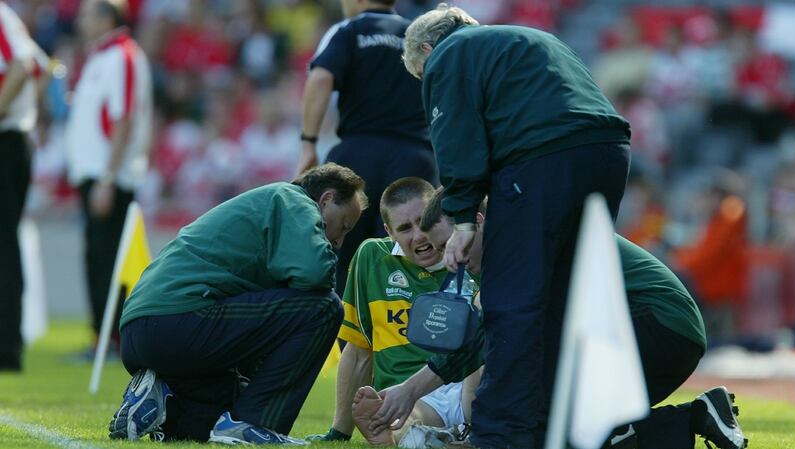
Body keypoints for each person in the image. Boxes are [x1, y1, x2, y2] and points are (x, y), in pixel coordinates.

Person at [403, 5, 632, 447]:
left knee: (514, 301)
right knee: (563, 301)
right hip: (608, 153)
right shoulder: (528, 39)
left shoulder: (449, 55)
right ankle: (557, 429)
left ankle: (502, 434)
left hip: (542, 159)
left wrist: (464, 219)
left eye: (421, 74)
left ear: (428, 49)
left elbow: (458, 141)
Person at [365, 187, 747, 449]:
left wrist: (410, 390)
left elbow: (485, 339)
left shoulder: (516, 248)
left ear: (477, 222)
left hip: (656, 324)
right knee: (561, 427)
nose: (453, 257)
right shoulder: (517, 238)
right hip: (664, 328)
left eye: (454, 244)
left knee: (534, 414)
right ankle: (697, 418)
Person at [107, 163, 367, 444]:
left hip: (140, 334)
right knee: (325, 308)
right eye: (342, 226)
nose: (339, 242)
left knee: (214, 417)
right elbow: (315, 272)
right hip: (180, 318)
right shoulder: (293, 199)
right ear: (325, 200)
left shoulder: (266, 209)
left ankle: (163, 400)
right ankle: (253, 424)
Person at [308, 178, 479, 447]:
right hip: (412, 396)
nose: (419, 236)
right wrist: (339, 432)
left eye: (423, 221)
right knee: (407, 422)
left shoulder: (470, 253)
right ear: (389, 232)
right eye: (404, 228)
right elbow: (358, 350)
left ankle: (462, 434)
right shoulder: (372, 258)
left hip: (473, 383)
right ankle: (415, 437)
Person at [298, 0, 438, 295]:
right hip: (415, 158)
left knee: (337, 252)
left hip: (356, 156)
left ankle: (339, 334)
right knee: (406, 259)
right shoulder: (418, 34)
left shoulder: (349, 30)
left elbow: (321, 77)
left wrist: (308, 143)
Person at [65, 0, 153, 359]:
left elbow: (124, 118)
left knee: (108, 260)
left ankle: (114, 339)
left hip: (109, 176)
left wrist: (108, 176)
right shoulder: (101, 58)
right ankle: (100, 337)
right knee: (96, 257)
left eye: (87, 13)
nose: (80, 20)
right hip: (95, 174)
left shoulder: (123, 57)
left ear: (106, 18)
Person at [0, 0, 50, 372]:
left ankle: (7, 347)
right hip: (13, 137)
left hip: (6, 140)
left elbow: (22, 65)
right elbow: (43, 66)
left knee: (3, 246)